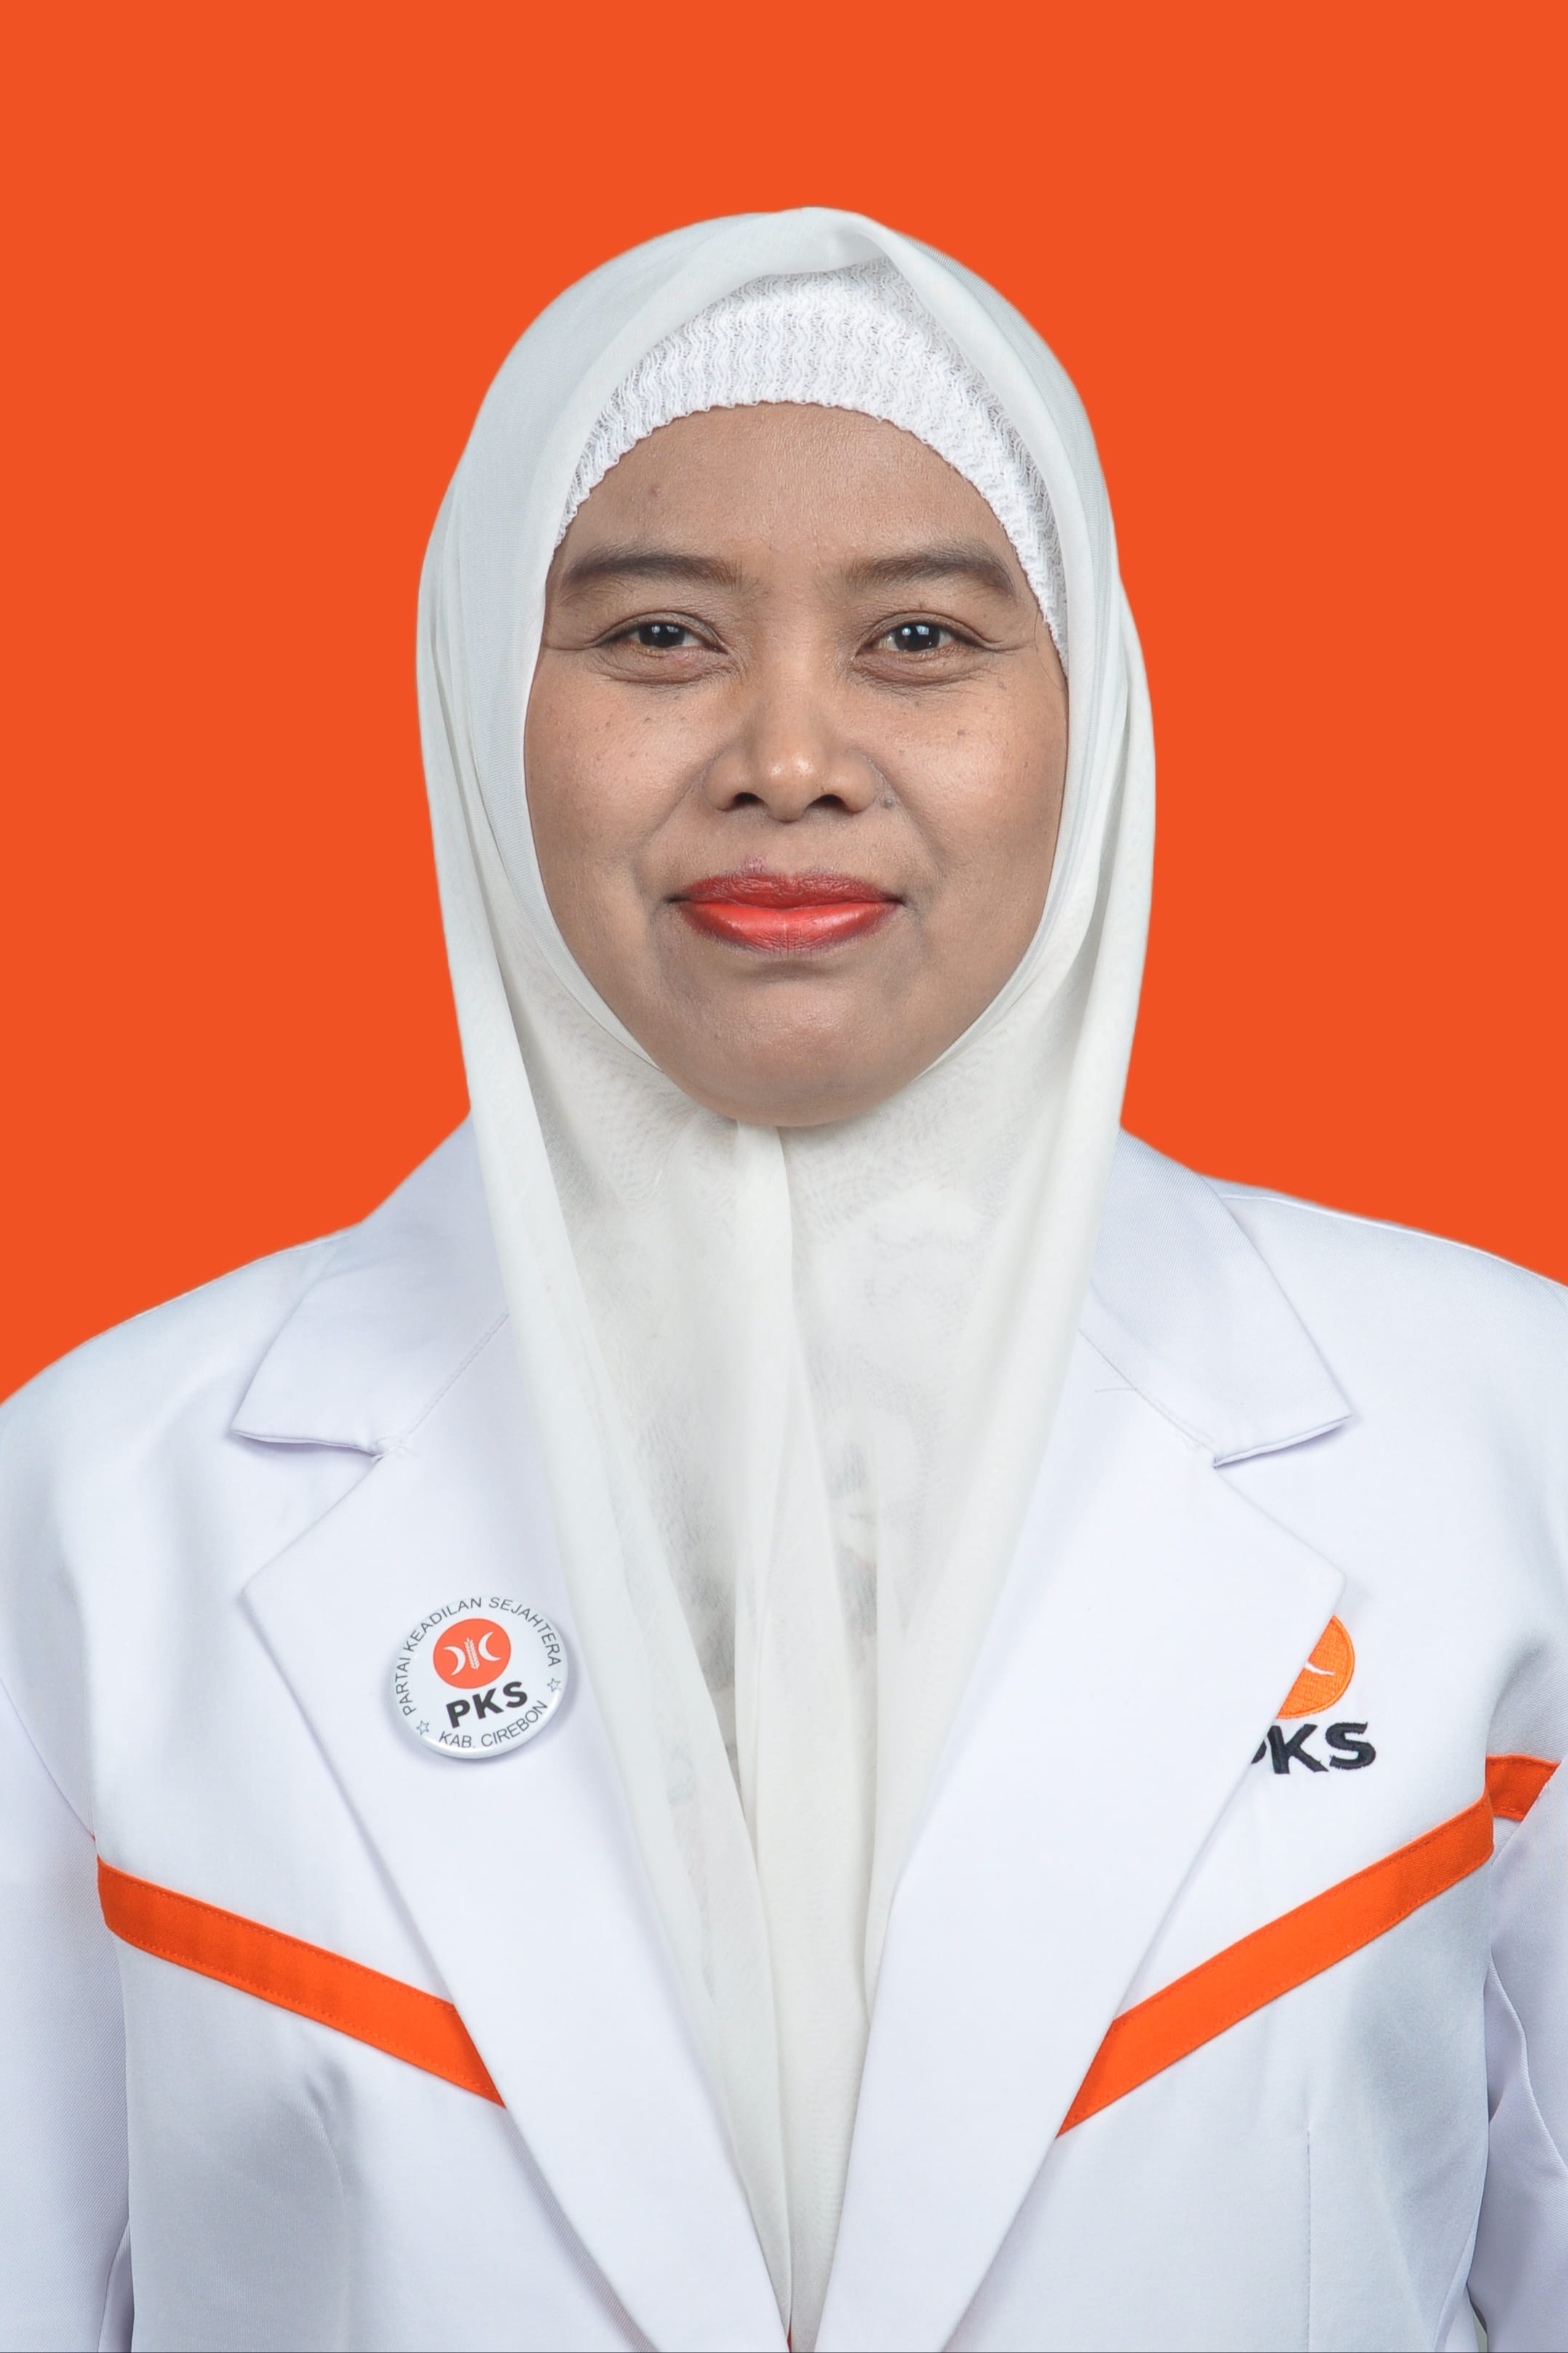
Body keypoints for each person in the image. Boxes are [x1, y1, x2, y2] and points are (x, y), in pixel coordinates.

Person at [1, 207, 1564, 2353]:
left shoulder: (1500, 1438)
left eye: (921, 637)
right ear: (483, 701)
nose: (790, 753)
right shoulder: (104, 1502)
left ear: (1090, 715)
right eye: (657, 636)